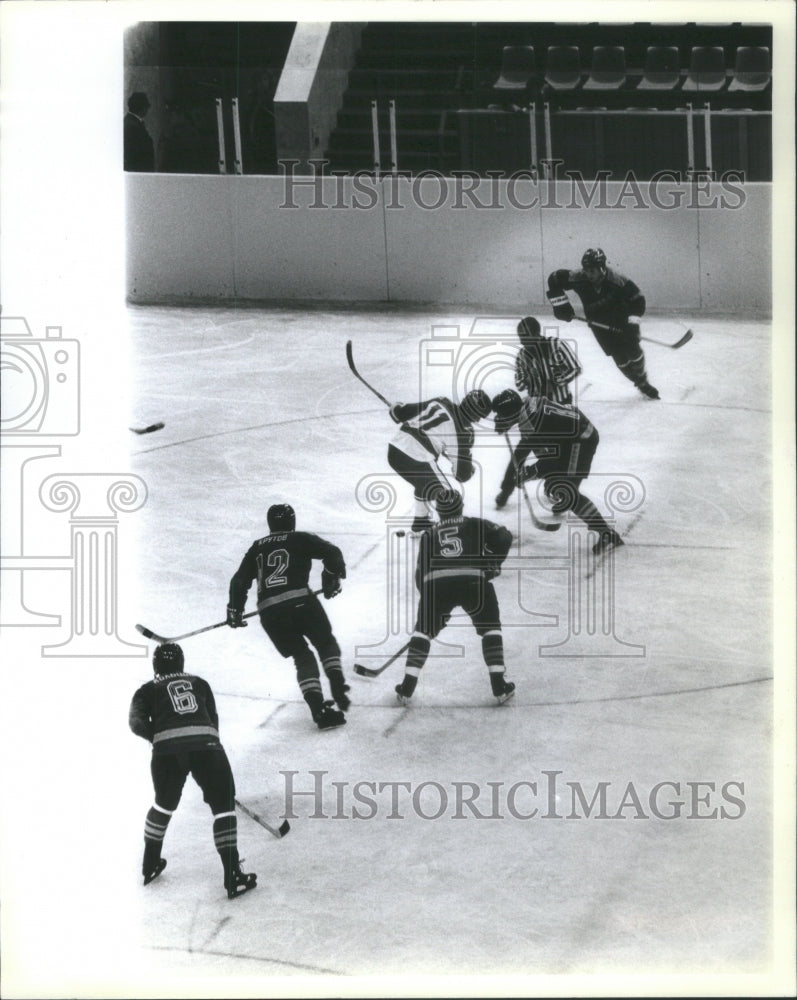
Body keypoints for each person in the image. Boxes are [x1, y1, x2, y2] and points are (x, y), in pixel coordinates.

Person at [128, 642, 257, 899]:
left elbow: (135, 722)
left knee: (163, 805)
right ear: (181, 663)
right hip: (207, 747)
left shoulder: (145, 690)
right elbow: (213, 719)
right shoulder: (200, 683)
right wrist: (212, 758)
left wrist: (160, 738)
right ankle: (232, 875)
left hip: (166, 753)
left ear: (155, 666)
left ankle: (150, 863)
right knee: (223, 809)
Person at [227, 503, 349, 731]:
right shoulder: (300, 538)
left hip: (270, 612)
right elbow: (332, 553)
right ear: (292, 522)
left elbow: (239, 581)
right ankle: (337, 683)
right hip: (301, 601)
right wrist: (330, 577)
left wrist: (235, 609)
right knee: (325, 642)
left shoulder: (257, 547)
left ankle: (318, 710)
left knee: (302, 657)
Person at [394, 488, 515, 706]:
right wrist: (494, 561)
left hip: (436, 584)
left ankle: (406, 688)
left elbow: (420, 572)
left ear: (439, 512)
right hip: (473, 579)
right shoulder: (474, 523)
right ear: (461, 507)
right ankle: (499, 686)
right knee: (491, 628)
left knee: (422, 633)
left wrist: (432, 606)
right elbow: (504, 535)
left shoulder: (429, 534)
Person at [491, 388, 624, 557]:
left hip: (581, 439)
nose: (499, 419)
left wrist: (531, 472)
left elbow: (555, 458)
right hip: (573, 436)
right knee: (555, 486)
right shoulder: (527, 406)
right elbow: (523, 451)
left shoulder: (533, 423)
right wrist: (509, 484)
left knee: (564, 489)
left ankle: (606, 533)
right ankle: (599, 526)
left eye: (501, 415)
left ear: (510, 412)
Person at [546, 248, 659, 399]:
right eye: (586, 270)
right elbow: (554, 279)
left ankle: (642, 379)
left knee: (634, 351)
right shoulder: (578, 277)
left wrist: (633, 323)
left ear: (602, 267)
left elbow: (638, 299)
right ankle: (640, 383)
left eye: (592, 270)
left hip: (622, 322)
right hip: (598, 325)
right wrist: (560, 305)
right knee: (619, 357)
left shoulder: (617, 280)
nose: (589, 274)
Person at [386, 389, 493, 533]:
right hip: (416, 458)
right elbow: (462, 475)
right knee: (450, 499)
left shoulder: (441, 401)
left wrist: (397, 407)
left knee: (426, 480)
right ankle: (453, 537)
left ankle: (421, 522)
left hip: (394, 451)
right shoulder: (462, 431)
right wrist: (468, 467)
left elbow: (400, 413)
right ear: (474, 414)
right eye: (478, 416)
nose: (478, 420)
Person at [514, 316, 581, 405]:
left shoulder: (557, 345)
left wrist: (557, 380)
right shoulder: (522, 355)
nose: (521, 342)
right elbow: (519, 385)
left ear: (536, 334)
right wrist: (529, 378)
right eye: (520, 337)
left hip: (561, 403)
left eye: (525, 337)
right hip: (537, 406)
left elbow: (576, 368)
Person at [124, 91, 155, 172]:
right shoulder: (133, 126)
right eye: (146, 107)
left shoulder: (130, 122)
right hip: (139, 171)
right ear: (143, 108)